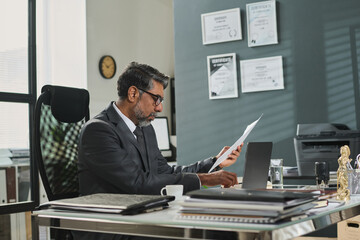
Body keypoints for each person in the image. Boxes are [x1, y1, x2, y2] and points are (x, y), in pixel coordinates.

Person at [75, 62, 242, 240]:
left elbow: (165, 172)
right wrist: (204, 179)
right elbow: (138, 184)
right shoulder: (98, 131)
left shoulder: (144, 128)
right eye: (156, 99)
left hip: (142, 215)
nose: (160, 107)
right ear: (133, 94)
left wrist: (215, 163)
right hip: (111, 227)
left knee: (223, 228)